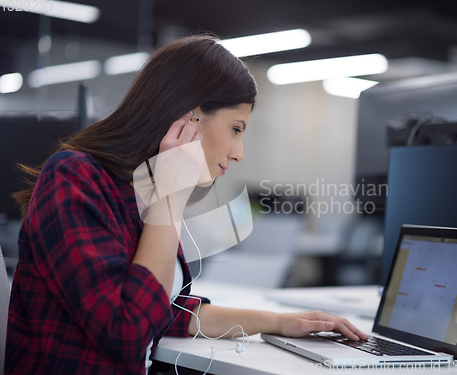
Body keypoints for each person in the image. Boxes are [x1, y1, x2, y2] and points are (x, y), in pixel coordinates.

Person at [5, 34, 368, 375]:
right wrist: (169, 200)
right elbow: (126, 334)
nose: (238, 153)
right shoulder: (75, 177)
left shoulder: (141, 191)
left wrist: (279, 322)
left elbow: (163, 312)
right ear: (189, 118)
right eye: (236, 129)